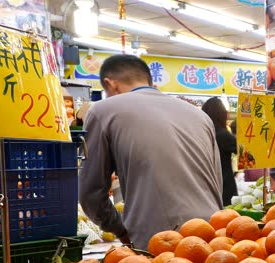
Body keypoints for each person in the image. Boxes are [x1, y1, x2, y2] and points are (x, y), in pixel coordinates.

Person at [80, 54, 222, 250]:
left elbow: (91, 193)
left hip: (158, 241)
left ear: (110, 84)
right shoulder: (200, 115)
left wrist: (119, 228)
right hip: (212, 235)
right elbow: (216, 181)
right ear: (148, 79)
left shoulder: (103, 110)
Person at [202, 97, 239, 206]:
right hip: (224, 185)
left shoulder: (203, 134)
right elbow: (247, 154)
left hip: (205, 184)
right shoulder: (223, 135)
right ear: (222, 115)